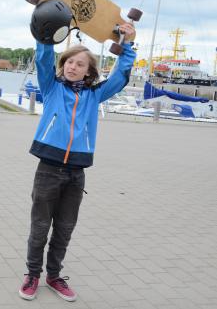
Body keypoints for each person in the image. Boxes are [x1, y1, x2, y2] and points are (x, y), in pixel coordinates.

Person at [18, 23, 136, 302]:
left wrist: (128, 45)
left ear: (88, 71)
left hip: (76, 173)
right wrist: (46, 35)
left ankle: (54, 275)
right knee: (39, 228)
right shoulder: (51, 87)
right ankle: (32, 274)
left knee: (65, 229)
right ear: (63, 65)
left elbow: (120, 76)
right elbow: (45, 58)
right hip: (48, 169)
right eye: (69, 61)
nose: (73, 66)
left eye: (80, 64)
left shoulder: (94, 95)